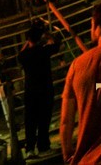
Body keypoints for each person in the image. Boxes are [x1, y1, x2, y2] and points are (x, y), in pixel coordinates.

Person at [60, 0, 101, 165]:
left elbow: (66, 120)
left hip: (86, 159)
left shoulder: (77, 65)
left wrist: (67, 153)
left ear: (97, 28)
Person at [17, 21, 61, 158]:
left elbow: (20, 54)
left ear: (28, 39)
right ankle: (43, 146)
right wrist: (48, 35)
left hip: (30, 91)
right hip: (45, 89)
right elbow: (56, 44)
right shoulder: (44, 50)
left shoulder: (24, 56)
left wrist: (28, 41)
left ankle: (29, 148)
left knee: (30, 121)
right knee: (44, 120)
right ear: (40, 37)